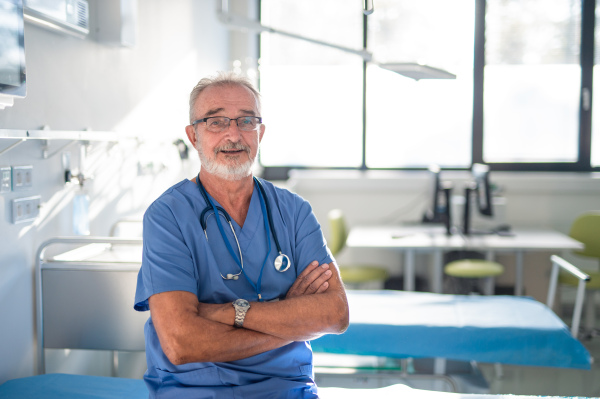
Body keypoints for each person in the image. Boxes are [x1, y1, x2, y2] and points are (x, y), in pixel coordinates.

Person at [134, 71, 349, 398]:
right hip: (194, 389)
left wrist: (228, 313)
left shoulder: (294, 211)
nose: (233, 134)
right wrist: (291, 322)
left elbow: (335, 314)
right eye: (216, 122)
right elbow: (181, 343)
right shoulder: (168, 216)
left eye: (246, 121)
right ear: (194, 136)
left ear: (259, 133)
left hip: (287, 388)